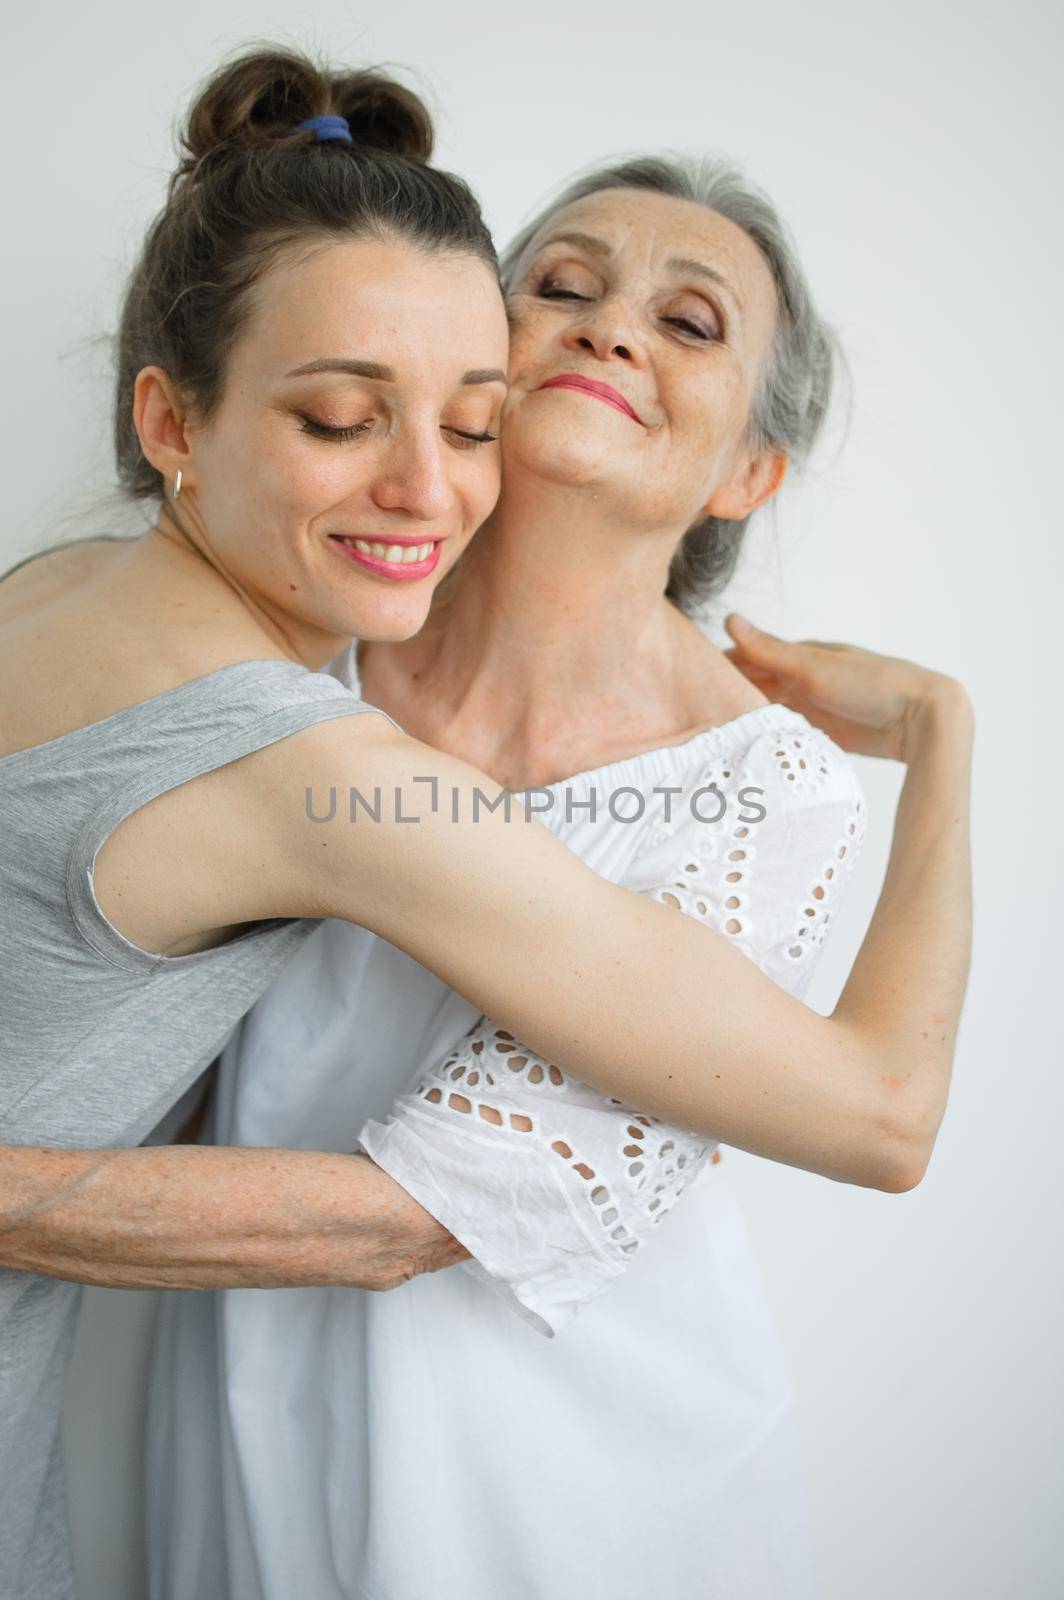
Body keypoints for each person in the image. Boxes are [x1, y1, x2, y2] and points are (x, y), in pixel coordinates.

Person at [143, 151, 975, 1598]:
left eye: (692, 322)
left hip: (580, 1497)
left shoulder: (765, 789)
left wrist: (943, 731)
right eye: (565, 288)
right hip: (242, 1418)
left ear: (746, 474)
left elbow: (422, 1219)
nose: (610, 329)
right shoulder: (293, 632)